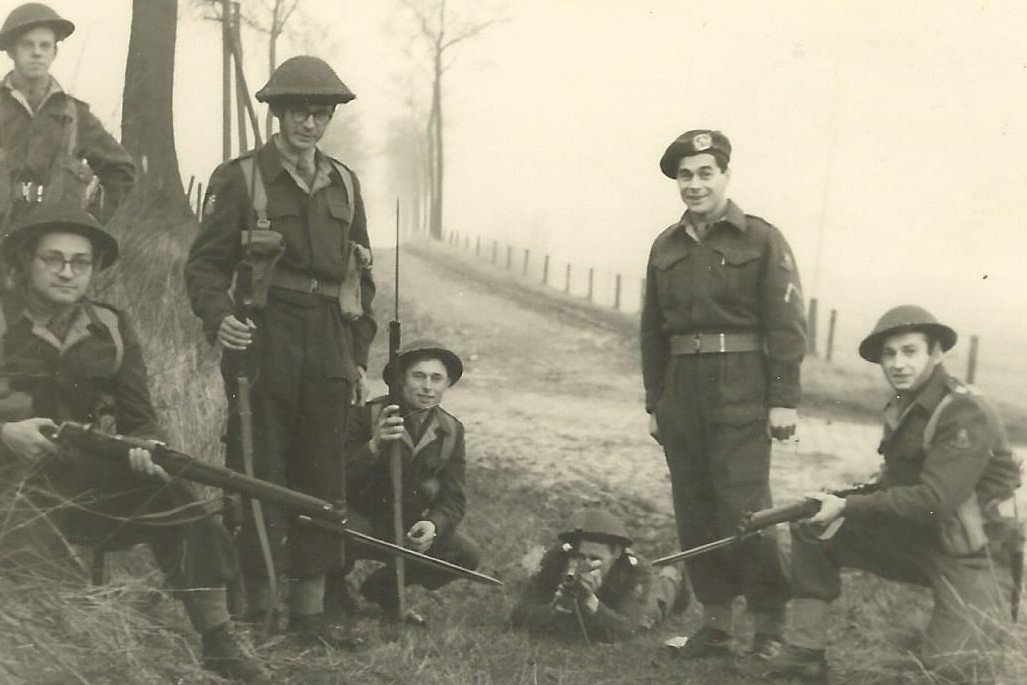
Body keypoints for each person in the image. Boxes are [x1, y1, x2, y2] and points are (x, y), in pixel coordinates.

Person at [0, 203, 265, 683]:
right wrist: (5, 433)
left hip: (84, 481)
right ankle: (48, 651)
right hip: (10, 483)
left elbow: (140, 416)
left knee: (179, 499)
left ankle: (218, 638)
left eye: (80, 262)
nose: (67, 272)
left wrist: (144, 447)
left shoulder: (111, 326)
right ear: (25, 260)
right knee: (34, 558)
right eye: (53, 259)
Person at [184, 54, 376, 647]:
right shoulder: (239, 179)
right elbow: (204, 267)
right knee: (258, 468)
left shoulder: (345, 184)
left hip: (328, 341)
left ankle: (310, 614)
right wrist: (220, 319)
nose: (309, 124)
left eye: (321, 113)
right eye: (298, 112)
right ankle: (258, 605)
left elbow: (361, 276)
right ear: (277, 113)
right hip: (264, 338)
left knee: (322, 470)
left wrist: (357, 355)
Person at [764, 305, 1022, 684]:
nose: (898, 364)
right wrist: (835, 500)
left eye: (910, 351)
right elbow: (894, 485)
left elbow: (934, 501)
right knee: (814, 526)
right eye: (889, 354)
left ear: (936, 353)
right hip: (921, 540)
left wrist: (848, 506)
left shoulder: (964, 411)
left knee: (947, 669)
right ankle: (805, 653)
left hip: (974, 556)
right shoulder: (904, 406)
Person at [640, 129, 807, 658]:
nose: (694, 184)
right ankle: (715, 623)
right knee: (694, 507)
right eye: (685, 175)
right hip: (681, 391)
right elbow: (651, 331)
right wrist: (655, 401)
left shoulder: (761, 239)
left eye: (705, 173)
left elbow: (786, 324)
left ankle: (768, 625)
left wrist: (783, 398)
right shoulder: (665, 246)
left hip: (740, 385)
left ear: (725, 175)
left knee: (746, 509)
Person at [330, 339, 481, 623]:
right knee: (334, 529)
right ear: (401, 379)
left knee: (465, 554)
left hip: (407, 528)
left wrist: (433, 524)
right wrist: (374, 446)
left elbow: (454, 498)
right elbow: (336, 477)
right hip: (361, 519)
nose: (427, 387)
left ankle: (384, 587)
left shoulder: (451, 431)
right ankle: (332, 588)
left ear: (447, 384)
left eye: (436, 378)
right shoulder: (367, 415)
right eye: (418, 376)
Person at [0, 3, 135, 224]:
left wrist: (88, 222)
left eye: (45, 46)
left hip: (54, 234)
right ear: (11, 52)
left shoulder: (75, 115)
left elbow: (121, 171)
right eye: (27, 45)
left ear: (54, 52)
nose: (37, 53)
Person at [510, 509, 684, 643]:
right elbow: (519, 612)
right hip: (601, 609)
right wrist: (555, 610)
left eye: (595, 559)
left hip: (623, 603)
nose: (585, 564)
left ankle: (675, 572)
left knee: (655, 610)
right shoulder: (557, 558)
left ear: (616, 552)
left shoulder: (635, 570)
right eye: (580, 556)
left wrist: (591, 603)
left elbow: (627, 630)